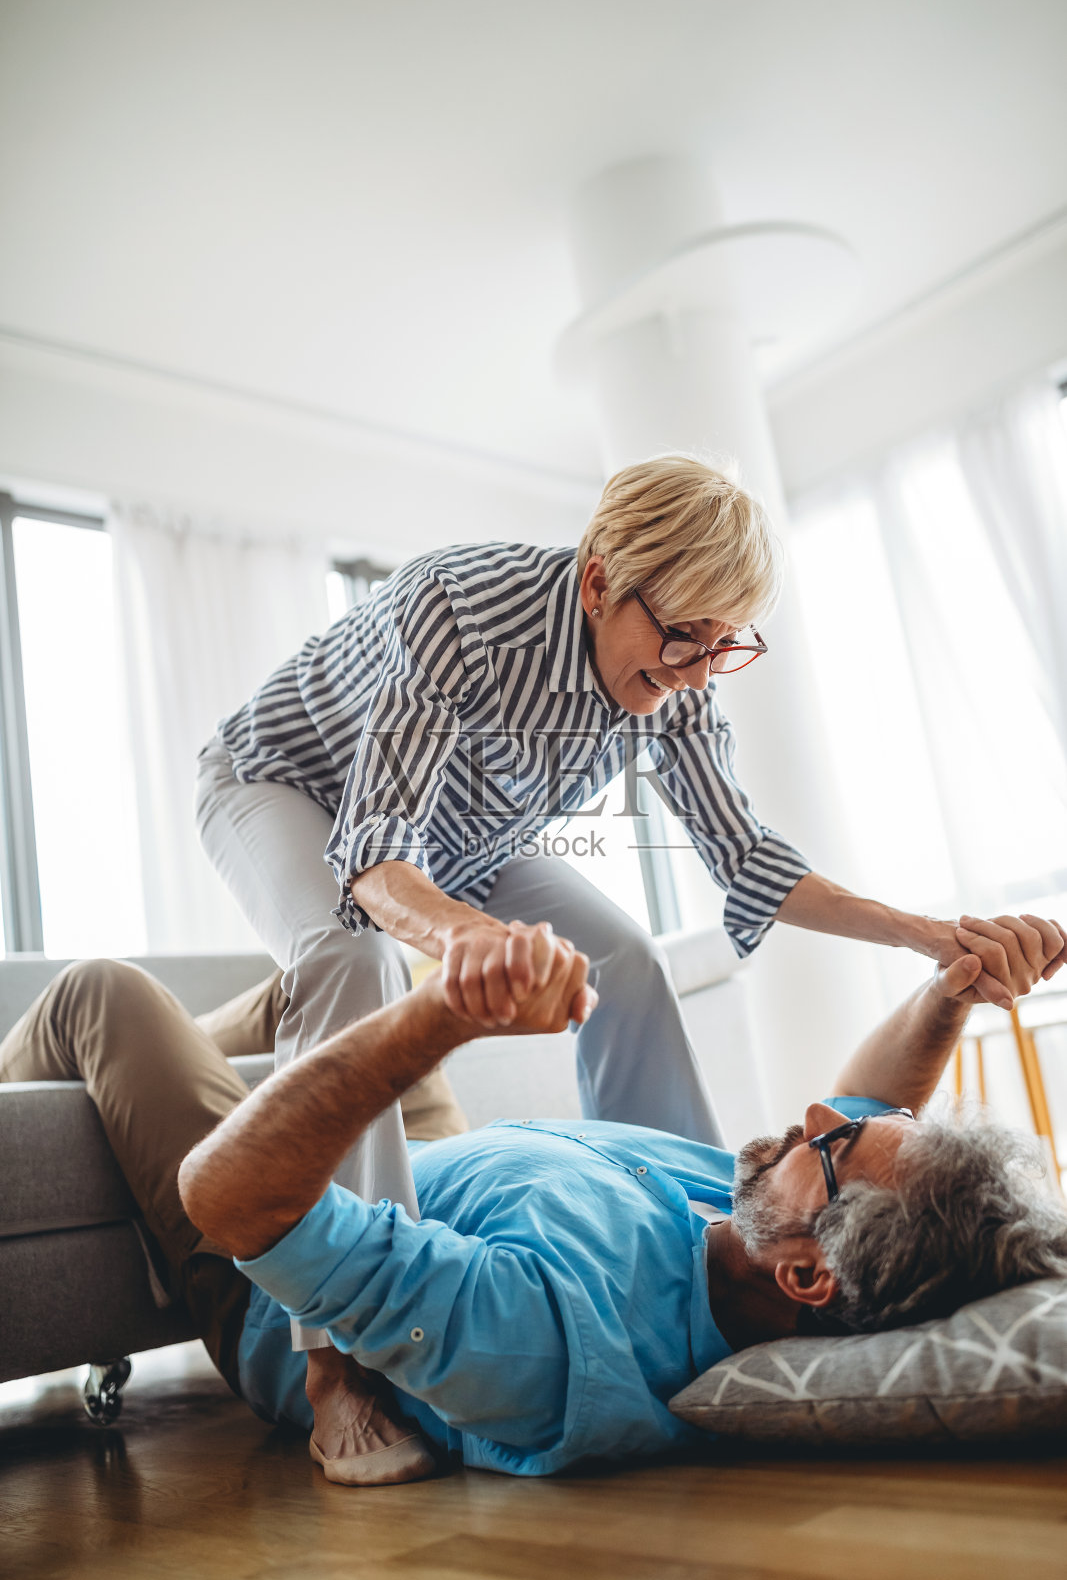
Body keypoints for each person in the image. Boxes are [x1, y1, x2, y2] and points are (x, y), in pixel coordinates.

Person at [193, 455, 1033, 1473]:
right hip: (290, 788)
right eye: (681, 635)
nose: (693, 669)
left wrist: (927, 935)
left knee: (625, 956)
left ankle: (707, 1244)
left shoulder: (681, 668)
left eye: (723, 647)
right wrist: (467, 946)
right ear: (598, 582)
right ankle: (342, 1366)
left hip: (464, 836)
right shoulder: (456, 609)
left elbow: (747, 859)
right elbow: (370, 862)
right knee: (348, 953)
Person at [5, 915, 1063, 1481]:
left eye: (827, 1145)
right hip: (436, 1163)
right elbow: (873, 1107)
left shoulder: (552, 1335)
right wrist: (947, 992)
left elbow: (236, 1203)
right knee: (344, 964)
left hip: (271, 1277)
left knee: (104, 992)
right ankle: (167, 1081)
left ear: (809, 1271)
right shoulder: (757, 1232)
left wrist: (438, 1023)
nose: (809, 1118)